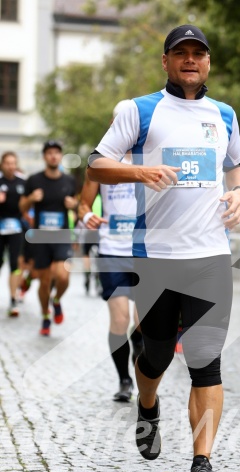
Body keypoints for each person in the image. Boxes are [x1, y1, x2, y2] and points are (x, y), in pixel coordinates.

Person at [88, 25, 240, 472]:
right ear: (166, 61)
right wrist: (140, 170)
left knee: (206, 363)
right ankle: (148, 403)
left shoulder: (224, 114)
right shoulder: (139, 111)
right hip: (155, 257)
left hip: (211, 257)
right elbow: (96, 164)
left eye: (198, 53)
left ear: (208, 62)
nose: (190, 60)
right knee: (155, 357)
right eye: (181, 53)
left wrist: (239, 190)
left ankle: (202, 465)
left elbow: (238, 162)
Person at [79, 100, 144, 402]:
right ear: (111, 125)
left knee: (142, 324)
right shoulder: (100, 162)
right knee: (119, 321)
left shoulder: (150, 156)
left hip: (145, 251)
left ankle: (144, 375)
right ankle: (124, 380)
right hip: (112, 250)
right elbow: (83, 203)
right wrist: (85, 216)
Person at [19, 141, 78, 336]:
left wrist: (74, 206)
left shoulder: (69, 181)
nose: (53, 156)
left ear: (60, 156)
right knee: (44, 282)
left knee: (63, 276)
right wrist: (30, 199)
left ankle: (57, 300)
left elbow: (79, 206)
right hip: (41, 238)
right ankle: (45, 315)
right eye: (49, 153)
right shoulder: (34, 180)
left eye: (57, 153)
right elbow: (22, 208)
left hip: (61, 235)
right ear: (45, 156)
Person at [0, 152, 26, 316]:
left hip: (16, 228)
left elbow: (28, 204)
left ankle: (13, 299)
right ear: (2, 164)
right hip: (0, 225)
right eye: (7, 163)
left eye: (13, 163)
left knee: (15, 264)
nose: (10, 166)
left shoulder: (23, 182)